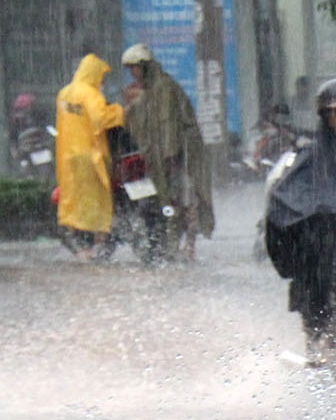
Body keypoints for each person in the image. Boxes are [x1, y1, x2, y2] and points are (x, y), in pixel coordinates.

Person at [265, 78, 336, 353]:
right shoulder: (313, 155)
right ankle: (317, 336)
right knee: (319, 282)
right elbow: (287, 199)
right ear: (326, 115)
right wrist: (324, 212)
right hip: (324, 245)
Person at [120, 43, 215, 261]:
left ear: (144, 66)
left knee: (187, 198)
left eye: (134, 68)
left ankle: (188, 246)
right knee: (169, 201)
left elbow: (168, 124)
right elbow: (140, 120)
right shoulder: (151, 90)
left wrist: (170, 156)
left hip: (182, 155)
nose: (132, 73)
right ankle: (172, 245)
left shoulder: (164, 87)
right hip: (163, 155)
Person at [54, 54, 127, 260]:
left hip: (68, 155)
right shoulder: (90, 94)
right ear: (94, 73)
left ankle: (78, 246)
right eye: (102, 77)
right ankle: (97, 245)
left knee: (73, 200)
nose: (102, 82)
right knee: (100, 201)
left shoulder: (64, 93)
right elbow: (101, 118)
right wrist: (121, 111)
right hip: (90, 156)